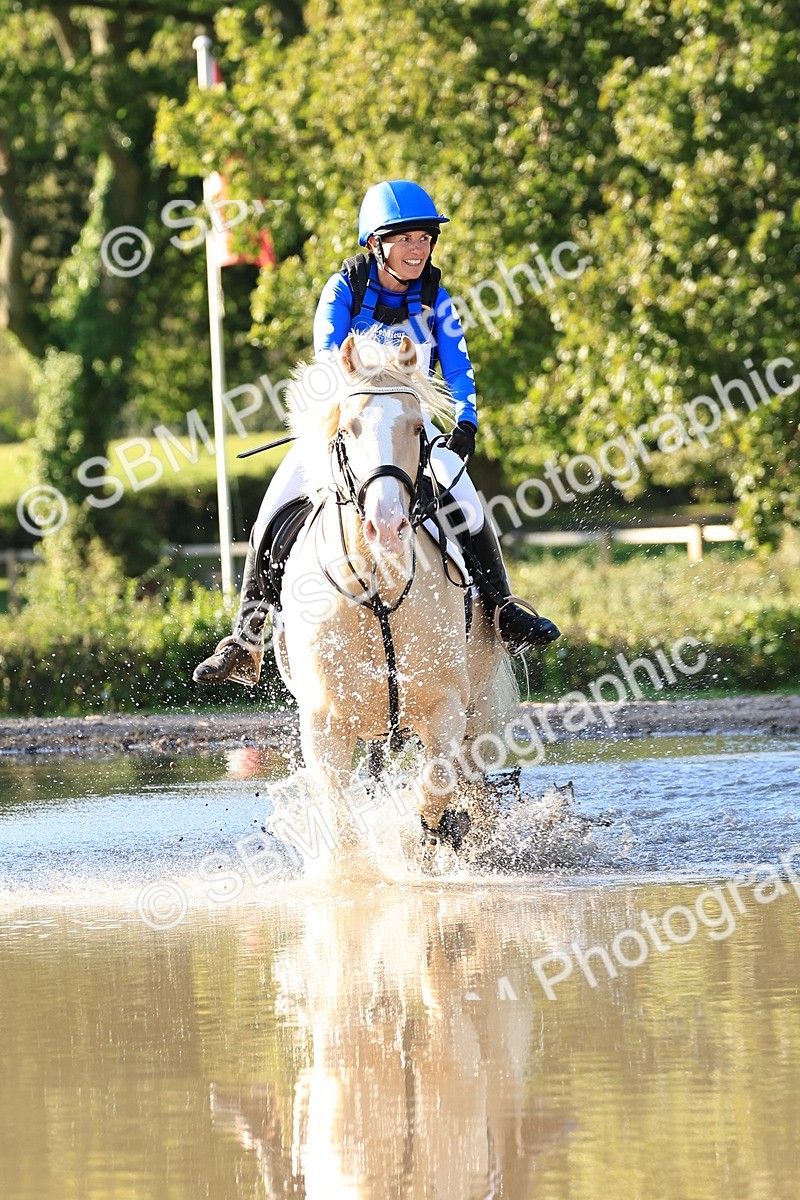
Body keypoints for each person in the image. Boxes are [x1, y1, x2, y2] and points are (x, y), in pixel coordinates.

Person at [193, 180, 560, 686]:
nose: (418, 249)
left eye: (425, 239)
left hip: (410, 423)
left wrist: (468, 420)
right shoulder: (344, 287)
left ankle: (503, 612)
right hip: (349, 418)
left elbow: (458, 369)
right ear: (376, 243)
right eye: (405, 239)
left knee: (469, 504)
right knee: (271, 512)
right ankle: (247, 639)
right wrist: (351, 402)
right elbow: (329, 356)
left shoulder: (437, 297)